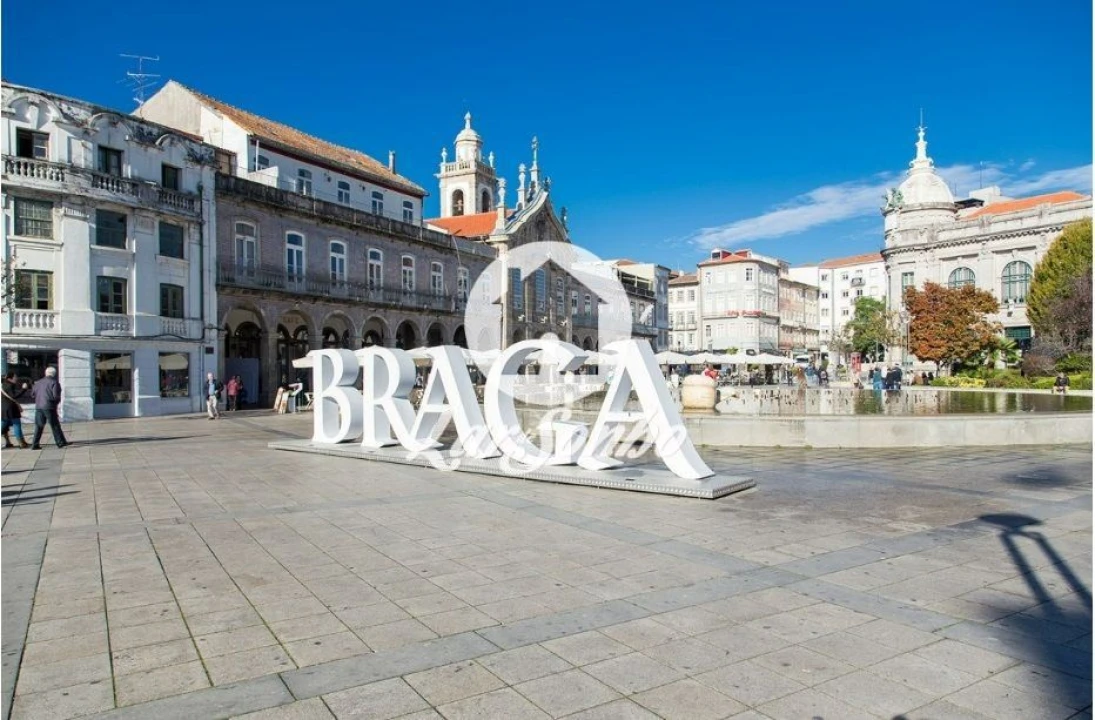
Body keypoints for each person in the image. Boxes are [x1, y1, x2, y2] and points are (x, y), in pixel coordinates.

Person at [30, 367, 68, 449]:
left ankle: (35, 444)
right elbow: (56, 396)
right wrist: (56, 403)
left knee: (39, 426)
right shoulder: (54, 382)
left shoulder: (38, 383)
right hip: (49, 406)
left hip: (39, 406)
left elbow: (32, 394)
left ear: (46, 373)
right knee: (54, 425)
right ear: (54, 374)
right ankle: (60, 442)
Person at [2, 370, 30, 449]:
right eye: (15, 377)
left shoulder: (4, 385)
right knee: (16, 424)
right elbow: (14, 396)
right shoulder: (9, 385)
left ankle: (9, 442)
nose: (16, 378)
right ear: (10, 378)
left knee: (4, 426)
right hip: (11, 409)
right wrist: (24, 389)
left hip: (4, 409)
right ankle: (21, 443)